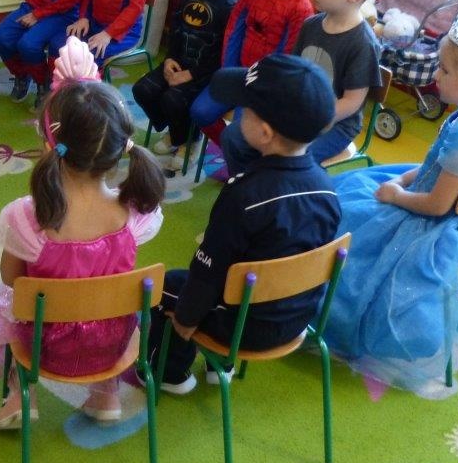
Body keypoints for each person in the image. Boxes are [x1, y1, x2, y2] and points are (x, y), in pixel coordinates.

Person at [324, 17, 458, 391]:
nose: (436, 75)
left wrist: (397, 195)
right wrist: (404, 179)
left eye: (445, 70)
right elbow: (438, 167)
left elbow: (436, 205)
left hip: (432, 218)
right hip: (436, 192)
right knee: (350, 192)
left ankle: (332, 312)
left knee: (347, 217)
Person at [0, 38, 166, 429]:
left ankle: (20, 396)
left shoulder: (27, 217)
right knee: (102, 301)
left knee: (16, 309)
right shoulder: (137, 212)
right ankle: (106, 395)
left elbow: (11, 279)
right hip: (114, 342)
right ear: (120, 149)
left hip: (46, 346)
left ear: (49, 144)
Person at [146, 53, 340, 393]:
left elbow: (205, 277)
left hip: (242, 328)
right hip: (298, 317)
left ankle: (170, 375)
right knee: (251, 269)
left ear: (264, 132)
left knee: (165, 286)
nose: (235, 115)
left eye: (243, 110)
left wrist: (187, 319)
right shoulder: (328, 189)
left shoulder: (243, 196)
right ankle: (221, 366)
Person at [210, 0, 380, 176]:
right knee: (234, 137)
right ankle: (246, 182)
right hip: (295, 108)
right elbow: (293, 71)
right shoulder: (311, 25)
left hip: (333, 123)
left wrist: (310, 119)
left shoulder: (363, 44)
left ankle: (270, 188)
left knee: (284, 157)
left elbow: (352, 102)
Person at [189, 0, 315, 150]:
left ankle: (242, 157)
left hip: (266, 88)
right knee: (199, 111)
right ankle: (232, 152)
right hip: (237, 74)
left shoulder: (301, 10)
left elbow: (287, 58)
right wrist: (229, 71)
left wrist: (257, 84)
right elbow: (233, 32)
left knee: (243, 134)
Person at [132, 0, 240, 170]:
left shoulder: (231, 8)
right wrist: (169, 58)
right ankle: (177, 131)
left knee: (173, 99)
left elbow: (221, 55)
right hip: (177, 62)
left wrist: (190, 75)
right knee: (142, 89)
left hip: (205, 74)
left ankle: (189, 141)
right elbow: (177, 28)